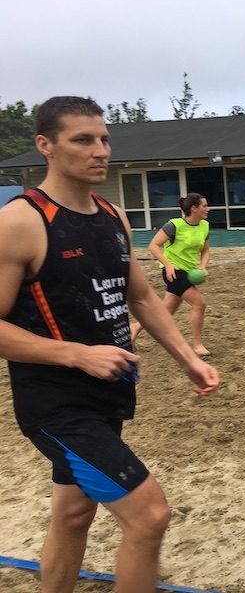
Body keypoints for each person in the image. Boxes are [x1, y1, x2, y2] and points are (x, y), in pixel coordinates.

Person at [0, 96, 220, 592]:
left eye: (104, 139)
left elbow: (140, 297)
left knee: (73, 514)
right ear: (45, 146)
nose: (100, 150)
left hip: (109, 394)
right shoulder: (21, 221)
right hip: (57, 407)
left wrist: (187, 358)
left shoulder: (111, 215)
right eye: (83, 140)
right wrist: (76, 354)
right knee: (150, 515)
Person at [131, 193, 211, 356]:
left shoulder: (204, 226)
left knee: (165, 311)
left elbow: (205, 250)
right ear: (194, 208)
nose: (208, 209)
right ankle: (197, 345)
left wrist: (202, 267)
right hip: (174, 272)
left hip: (189, 272)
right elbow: (153, 246)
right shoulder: (174, 225)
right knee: (199, 303)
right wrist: (168, 265)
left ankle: (136, 327)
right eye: (204, 206)